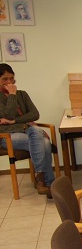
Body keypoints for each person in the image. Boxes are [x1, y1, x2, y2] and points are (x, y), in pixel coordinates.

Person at [0, 63, 55, 197]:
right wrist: (12, 95)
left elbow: (35, 114)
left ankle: (42, 180)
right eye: (5, 79)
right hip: (7, 136)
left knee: (36, 133)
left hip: (27, 131)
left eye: (11, 78)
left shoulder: (22, 94)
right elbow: (8, 114)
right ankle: (47, 182)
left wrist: (14, 121)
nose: (9, 82)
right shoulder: (12, 95)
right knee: (44, 143)